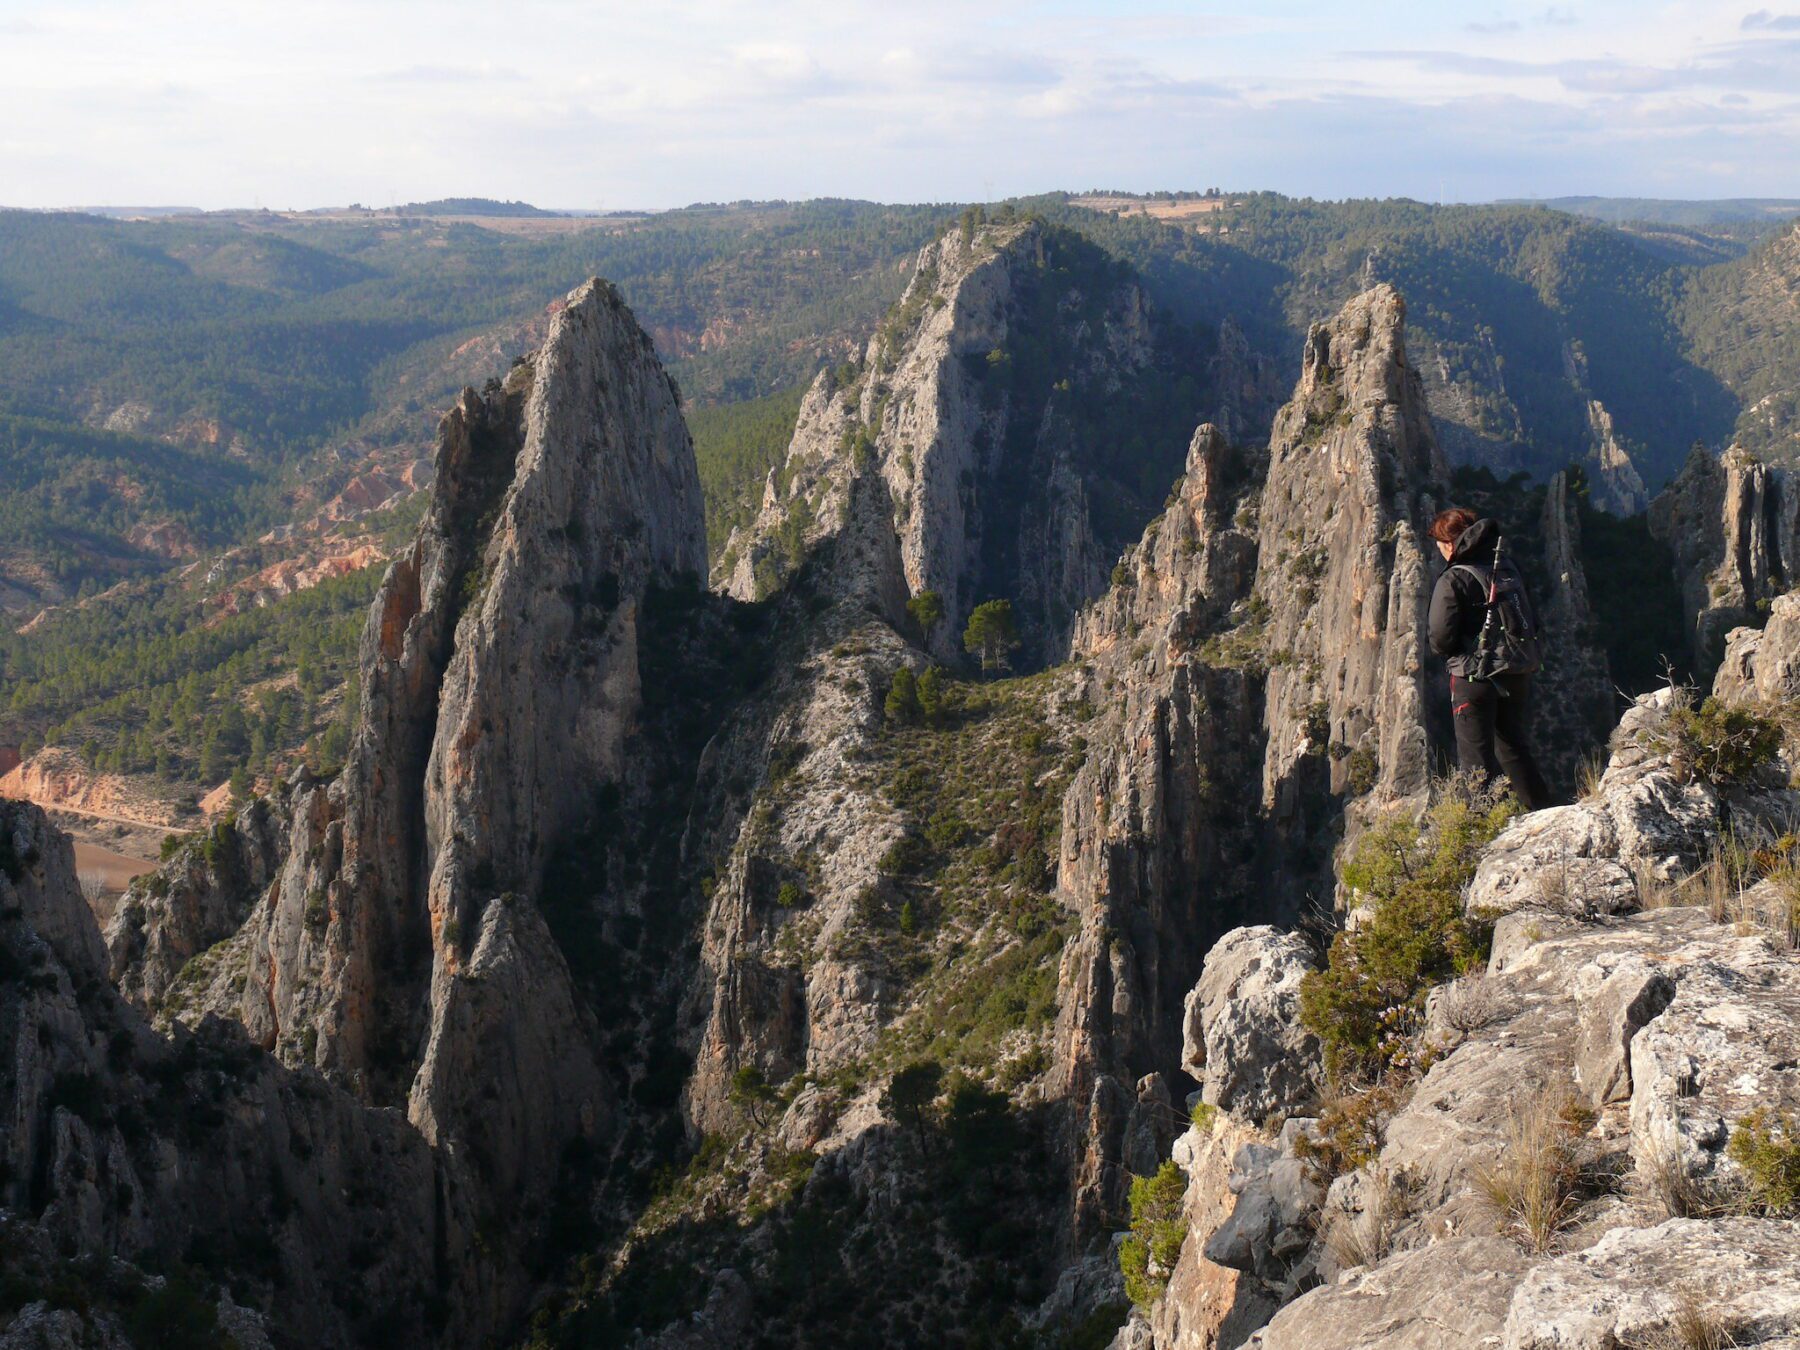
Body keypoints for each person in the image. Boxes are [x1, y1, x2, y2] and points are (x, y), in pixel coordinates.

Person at [1426, 507, 1554, 811]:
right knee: (1513, 746)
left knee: (1475, 761)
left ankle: (1476, 832)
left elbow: (1440, 639)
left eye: (1440, 546)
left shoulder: (1454, 577)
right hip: (1515, 670)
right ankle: (1543, 811)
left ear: (1449, 544)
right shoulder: (1505, 565)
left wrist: (1455, 651)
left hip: (1474, 680)